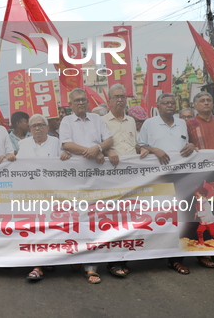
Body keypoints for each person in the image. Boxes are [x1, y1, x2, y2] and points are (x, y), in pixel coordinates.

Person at [59, 88, 113, 284]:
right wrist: (90, 151)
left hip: (97, 176)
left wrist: (99, 148)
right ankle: (75, 256)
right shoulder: (66, 121)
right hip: (75, 178)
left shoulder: (97, 119)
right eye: (77, 101)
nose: (81, 103)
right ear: (71, 104)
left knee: (95, 219)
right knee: (75, 218)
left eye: (83, 100)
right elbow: (66, 145)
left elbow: (109, 139)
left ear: (88, 102)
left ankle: (91, 266)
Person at [138, 93, 195, 275]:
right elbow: (140, 145)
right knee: (158, 216)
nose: (170, 105)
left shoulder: (182, 123)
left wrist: (192, 146)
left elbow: (189, 145)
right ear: (158, 105)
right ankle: (152, 253)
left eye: (172, 103)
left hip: (180, 177)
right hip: (157, 177)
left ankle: (176, 260)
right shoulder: (149, 123)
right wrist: (155, 150)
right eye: (166, 103)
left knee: (180, 217)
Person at [17, 114, 70, 281]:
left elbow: (68, 163)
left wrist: (66, 156)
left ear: (47, 128)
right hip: (31, 195)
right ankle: (37, 266)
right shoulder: (22, 144)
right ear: (30, 129)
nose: (37, 128)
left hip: (52, 195)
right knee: (35, 230)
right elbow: (16, 166)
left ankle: (49, 260)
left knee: (51, 229)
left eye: (41, 125)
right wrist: (9, 158)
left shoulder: (57, 143)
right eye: (33, 126)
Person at [187, 92, 214, 268]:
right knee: (201, 218)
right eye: (202, 101)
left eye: (208, 100)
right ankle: (203, 254)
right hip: (199, 176)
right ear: (195, 105)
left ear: (213, 104)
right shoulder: (189, 123)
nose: (206, 103)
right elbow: (186, 146)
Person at [101, 84, 137, 277]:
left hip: (132, 176)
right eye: (116, 97)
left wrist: (143, 150)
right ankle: (112, 261)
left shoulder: (131, 121)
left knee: (129, 218)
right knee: (114, 219)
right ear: (109, 102)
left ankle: (124, 257)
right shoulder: (102, 121)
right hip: (112, 176)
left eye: (123, 96)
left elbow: (133, 144)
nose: (120, 100)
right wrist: (108, 150)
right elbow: (96, 142)